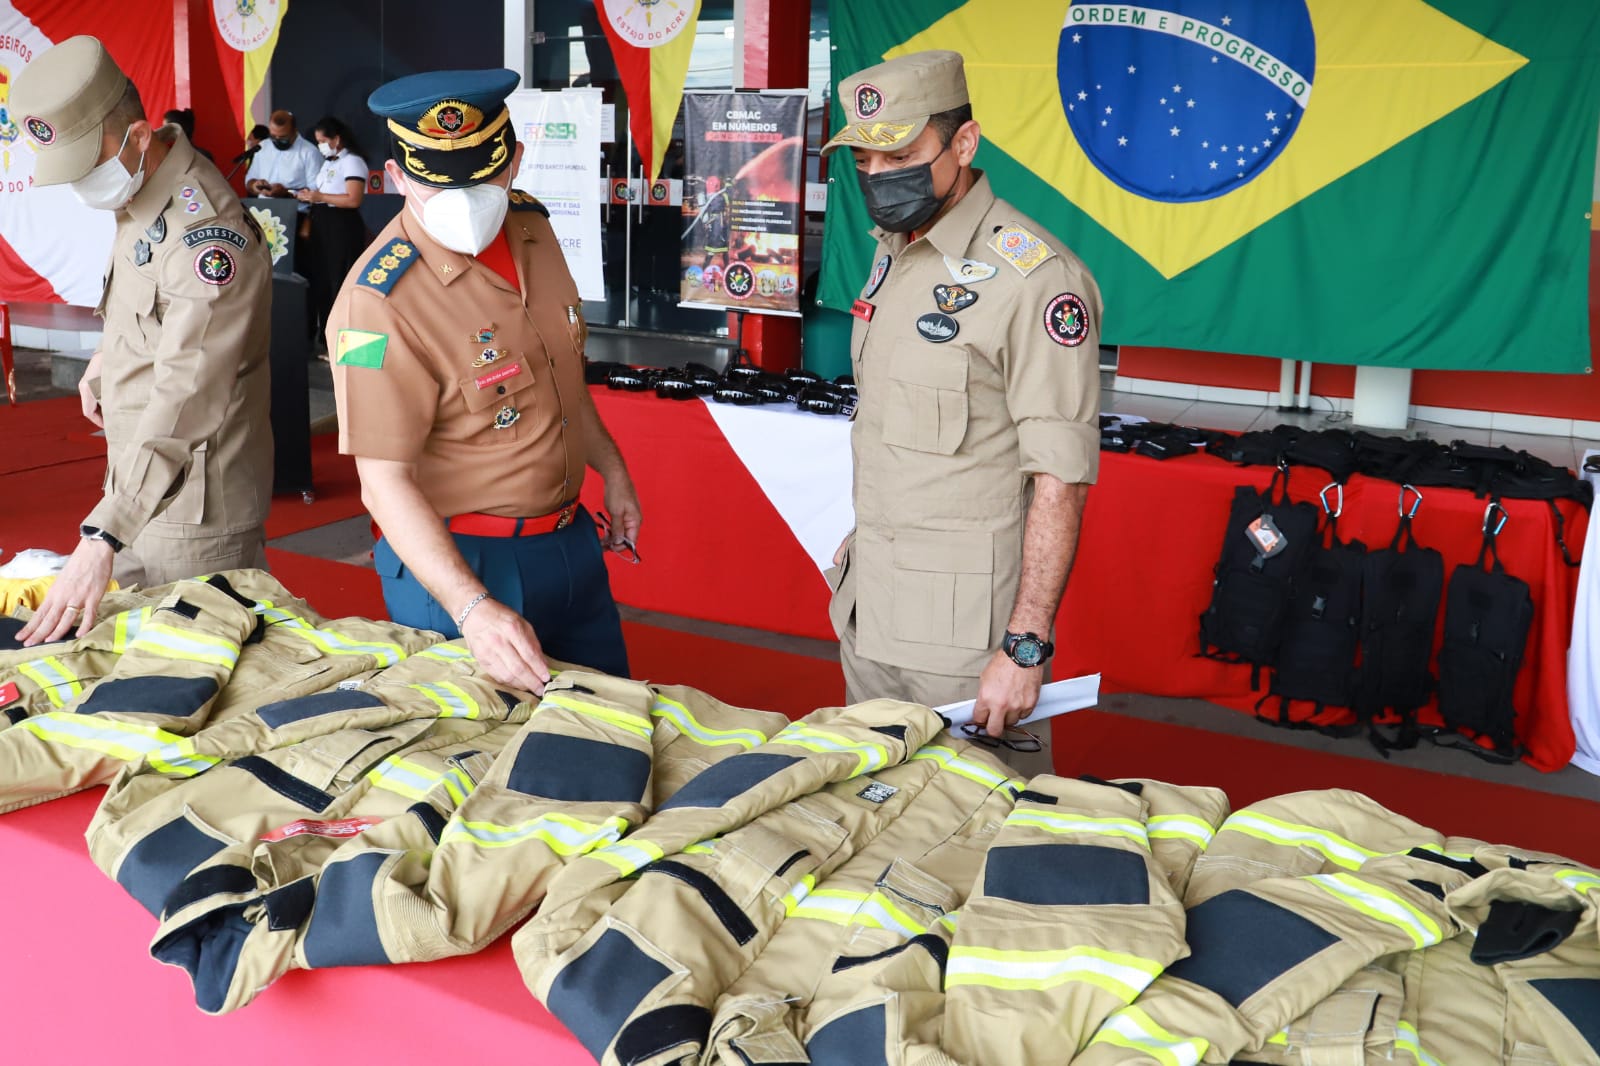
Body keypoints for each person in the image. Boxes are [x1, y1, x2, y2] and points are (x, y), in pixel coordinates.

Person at [819, 50, 1102, 766]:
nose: (879, 177)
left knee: (965, 831)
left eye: (902, 155)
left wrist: (1026, 645)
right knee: (869, 813)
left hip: (962, 641)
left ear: (964, 144)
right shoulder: (895, 251)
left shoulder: (1034, 279)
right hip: (870, 605)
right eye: (864, 160)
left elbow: (1060, 476)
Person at [325, 68, 641, 693]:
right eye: (433, 183)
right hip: (461, 568)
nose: (464, 201)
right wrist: (472, 609)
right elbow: (382, 482)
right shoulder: (377, 304)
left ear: (515, 161)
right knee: (483, 769)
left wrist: (616, 471)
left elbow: (562, 378)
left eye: (482, 176)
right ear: (396, 178)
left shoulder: (533, 227)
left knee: (609, 732)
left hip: (570, 541)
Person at [10, 35, 274, 644]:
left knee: (193, 688)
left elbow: (189, 390)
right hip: (140, 484)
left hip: (194, 510)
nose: (82, 188)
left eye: (87, 167)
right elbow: (144, 306)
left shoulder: (205, 235)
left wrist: (105, 532)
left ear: (137, 136)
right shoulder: (140, 196)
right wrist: (107, 357)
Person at [296, 115, 368, 338]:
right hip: (321, 221)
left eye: (323, 141)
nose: (321, 146)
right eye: (317, 142)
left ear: (336, 139)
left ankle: (342, 335)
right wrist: (308, 196)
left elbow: (353, 199)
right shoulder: (328, 162)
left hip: (341, 224)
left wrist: (320, 196)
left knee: (339, 278)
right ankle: (325, 334)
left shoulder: (352, 161)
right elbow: (320, 192)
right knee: (322, 280)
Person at [243, 108, 321, 213]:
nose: (277, 140)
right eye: (273, 136)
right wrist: (255, 185)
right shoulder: (263, 146)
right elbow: (250, 180)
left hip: (295, 214)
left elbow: (316, 192)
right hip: (263, 212)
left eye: (283, 137)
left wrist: (286, 193)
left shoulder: (310, 152)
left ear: (294, 130)